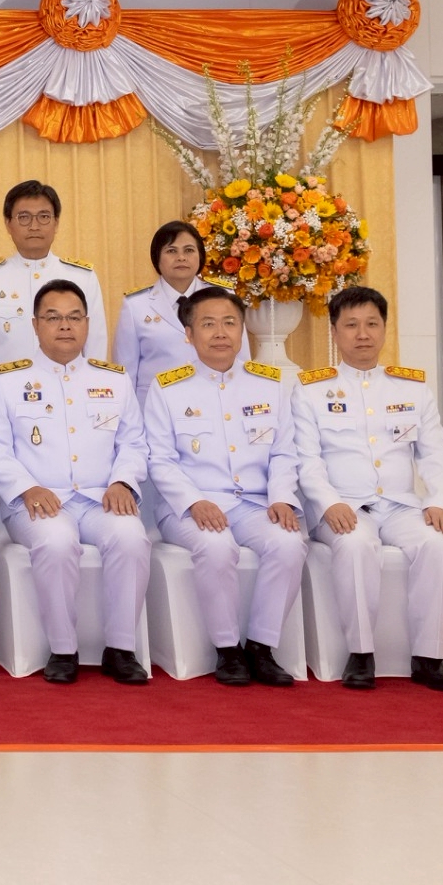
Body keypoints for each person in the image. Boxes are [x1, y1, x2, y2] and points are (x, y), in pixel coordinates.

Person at [0, 279, 151, 685]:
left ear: (87, 324)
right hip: (34, 502)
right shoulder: (6, 380)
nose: (65, 326)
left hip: (100, 499)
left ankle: (120, 648)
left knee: (131, 538)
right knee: (56, 542)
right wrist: (27, 487)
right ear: (35, 325)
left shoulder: (114, 379)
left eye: (74, 317)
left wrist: (122, 482)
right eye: (53, 317)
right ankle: (63, 649)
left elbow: (133, 443)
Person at [293, 286, 443, 692]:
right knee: (355, 546)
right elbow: (306, 459)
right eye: (351, 325)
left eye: (372, 324)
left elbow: (435, 454)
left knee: (440, 547)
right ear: (334, 332)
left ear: (385, 329)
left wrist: (441, 501)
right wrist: (329, 503)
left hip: (401, 505)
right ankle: (361, 654)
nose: (363, 334)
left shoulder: (412, 389)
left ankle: (428, 656)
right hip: (344, 506)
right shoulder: (310, 390)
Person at [143, 284, 307, 688]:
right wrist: (194, 501)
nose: (220, 333)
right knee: (216, 546)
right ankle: (228, 649)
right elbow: (160, 460)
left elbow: (284, 453)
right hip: (188, 507)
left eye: (230, 323)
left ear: (242, 330)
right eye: (208, 324)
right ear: (189, 334)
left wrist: (281, 498)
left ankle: (261, 647)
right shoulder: (168, 388)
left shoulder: (271, 385)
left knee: (289, 543)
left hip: (254, 504)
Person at [0, 180, 107, 386]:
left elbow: (95, 349)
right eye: (24, 217)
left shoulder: (83, 278)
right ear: (8, 224)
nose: (34, 226)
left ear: (56, 223)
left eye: (44, 216)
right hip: (7, 398)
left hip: (69, 394)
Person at [114, 219, 245, 379]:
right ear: (156, 258)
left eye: (189, 250)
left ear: (200, 255)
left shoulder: (224, 297)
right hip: (155, 394)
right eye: (171, 251)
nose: (181, 257)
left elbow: (241, 359)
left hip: (214, 391)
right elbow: (126, 373)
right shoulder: (135, 305)